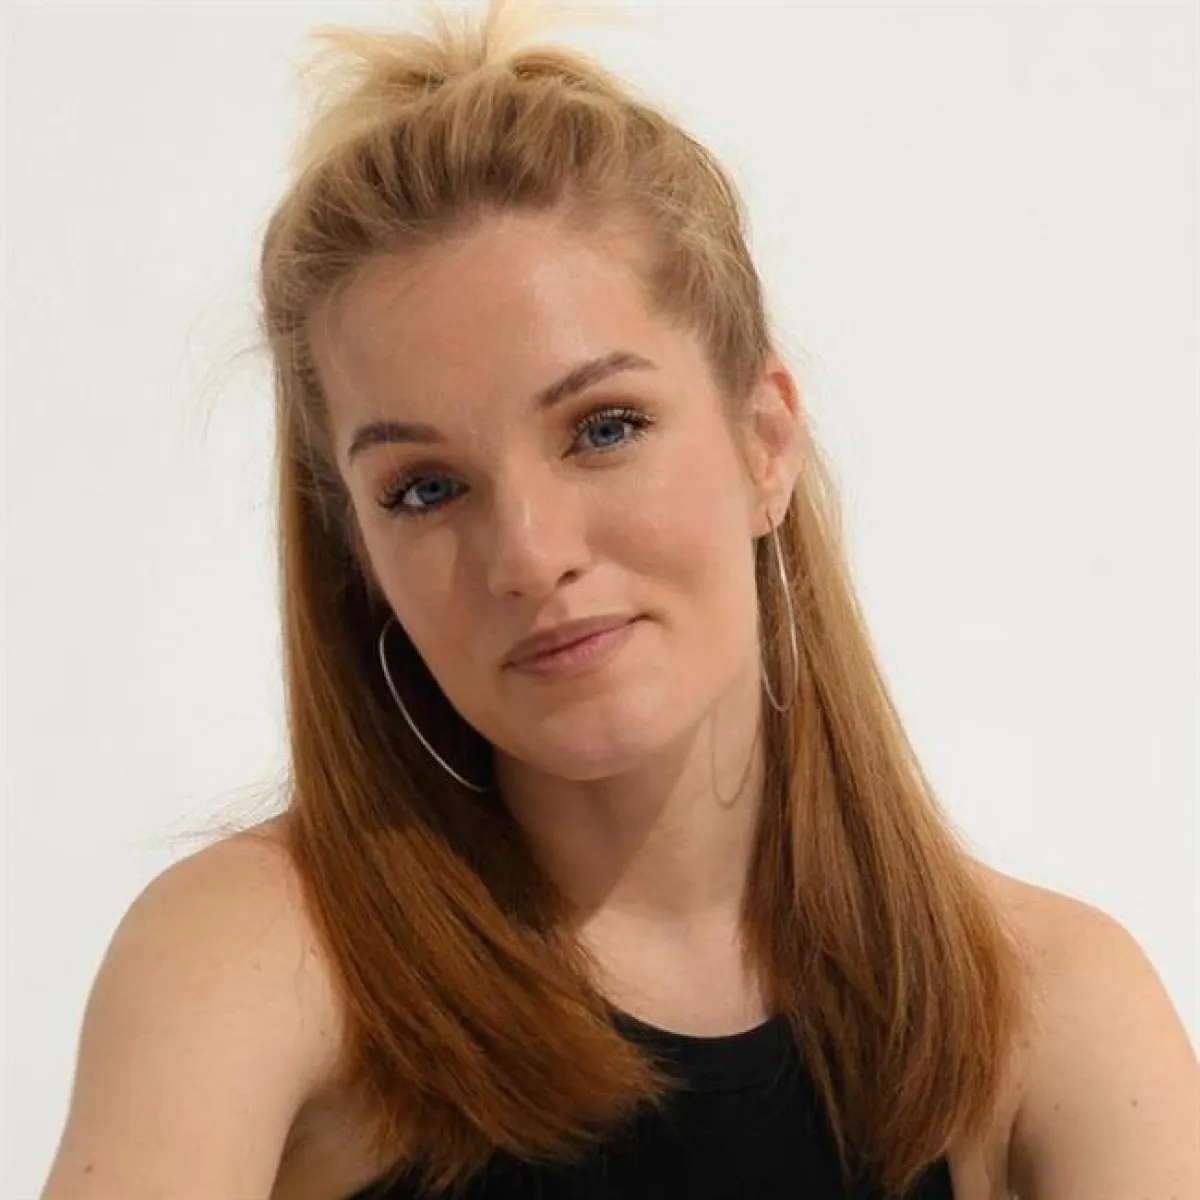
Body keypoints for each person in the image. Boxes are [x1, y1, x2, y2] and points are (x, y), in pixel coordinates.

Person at [39, 1, 1198, 1198]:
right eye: (426, 488)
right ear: (361, 559)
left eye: (603, 428)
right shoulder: (257, 962)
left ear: (764, 443)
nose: (530, 554)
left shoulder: (1052, 1015)